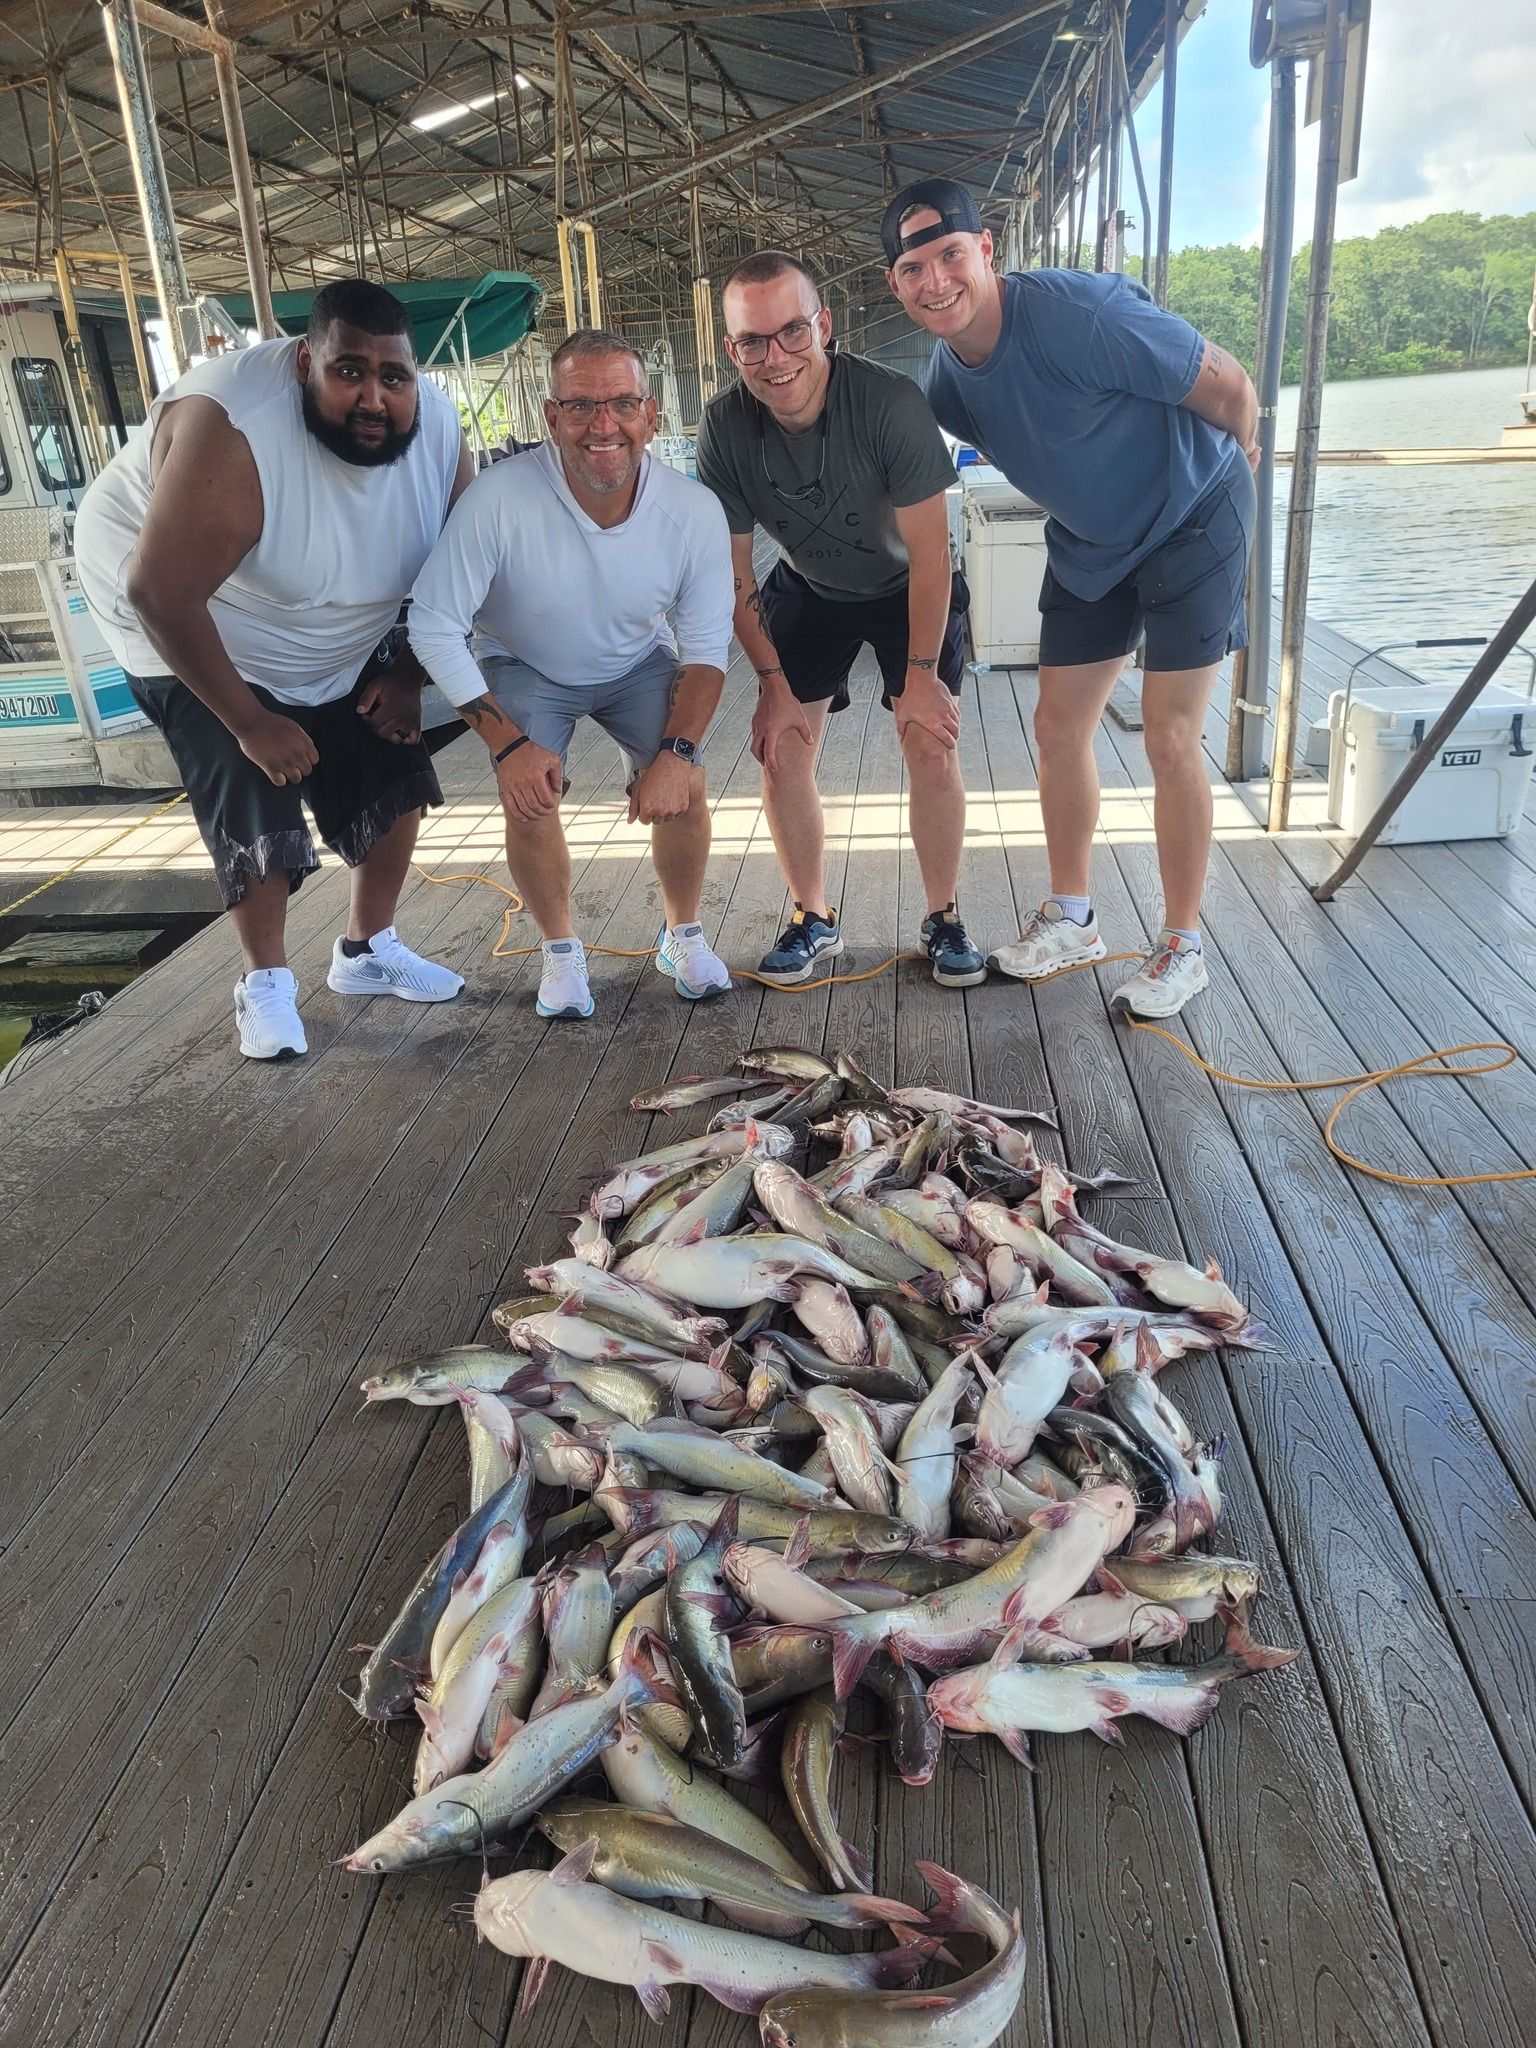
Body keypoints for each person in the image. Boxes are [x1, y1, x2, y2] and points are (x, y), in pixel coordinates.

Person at [884, 178, 1260, 1018]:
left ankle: (1183, 945)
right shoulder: (946, 385)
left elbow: (1231, 387)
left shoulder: (1080, 315)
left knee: (1168, 735)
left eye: (951, 254)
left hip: (1195, 517)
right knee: (1056, 727)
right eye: (914, 268)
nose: (936, 280)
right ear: (895, 285)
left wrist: (1238, 466)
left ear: (987, 250)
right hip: (1092, 541)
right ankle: (1074, 918)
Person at [74, 278, 473, 1061]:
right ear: (303, 363)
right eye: (348, 371)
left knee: (393, 758)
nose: (373, 397)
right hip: (189, 622)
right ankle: (265, 981)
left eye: (393, 377)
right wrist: (251, 721)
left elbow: (464, 571)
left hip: (328, 624)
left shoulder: (440, 432)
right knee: (255, 784)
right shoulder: (236, 426)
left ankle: (366, 950)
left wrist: (407, 675)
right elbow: (160, 592)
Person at [408, 328, 734, 1021]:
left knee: (688, 783)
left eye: (622, 404)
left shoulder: (693, 510)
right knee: (528, 793)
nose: (603, 425)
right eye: (581, 406)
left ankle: (683, 934)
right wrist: (508, 747)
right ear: (552, 418)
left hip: (635, 660)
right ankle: (560, 950)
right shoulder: (498, 498)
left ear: (651, 415)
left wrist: (675, 756)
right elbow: (433, 623)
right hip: (523, 660)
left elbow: (707, 649)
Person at [695, 251, 985, 990]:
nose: (776, 358)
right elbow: (732, 574)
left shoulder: (888, 403)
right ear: (731, 350)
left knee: (929, 739)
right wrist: (771, 687)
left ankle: (944, 917)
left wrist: (920, 679)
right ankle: (812, 916)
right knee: (783, 746)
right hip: (809, 585)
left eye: (792, 331)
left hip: (908, 585)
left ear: (823, 325)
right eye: (752, 342)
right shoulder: (725, 426)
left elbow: (932, 555)